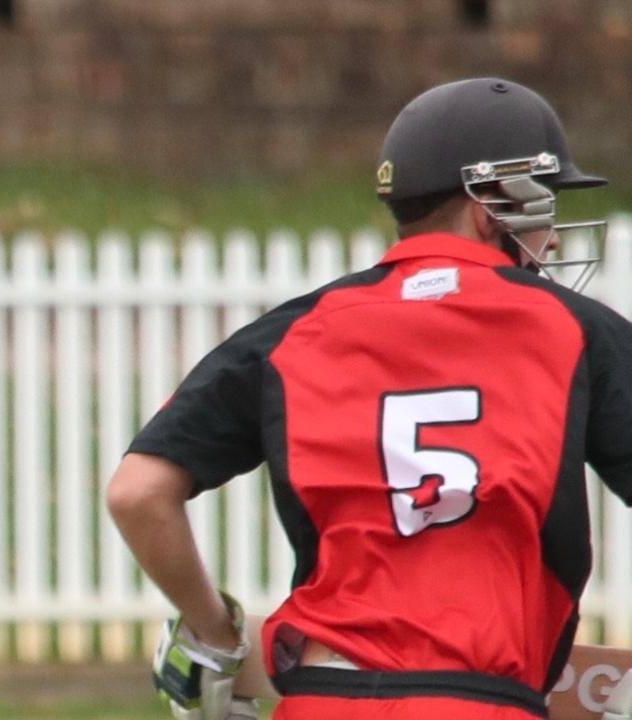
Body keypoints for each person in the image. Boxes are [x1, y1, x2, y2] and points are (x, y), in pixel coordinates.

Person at [107, 77, 632, 720]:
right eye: (544, 207)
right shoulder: (575, 328)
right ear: (492, 205)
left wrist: (215, 636)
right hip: (483, 702)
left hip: (320, 702)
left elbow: (137, 491)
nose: (552, 239)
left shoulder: (292, 332)